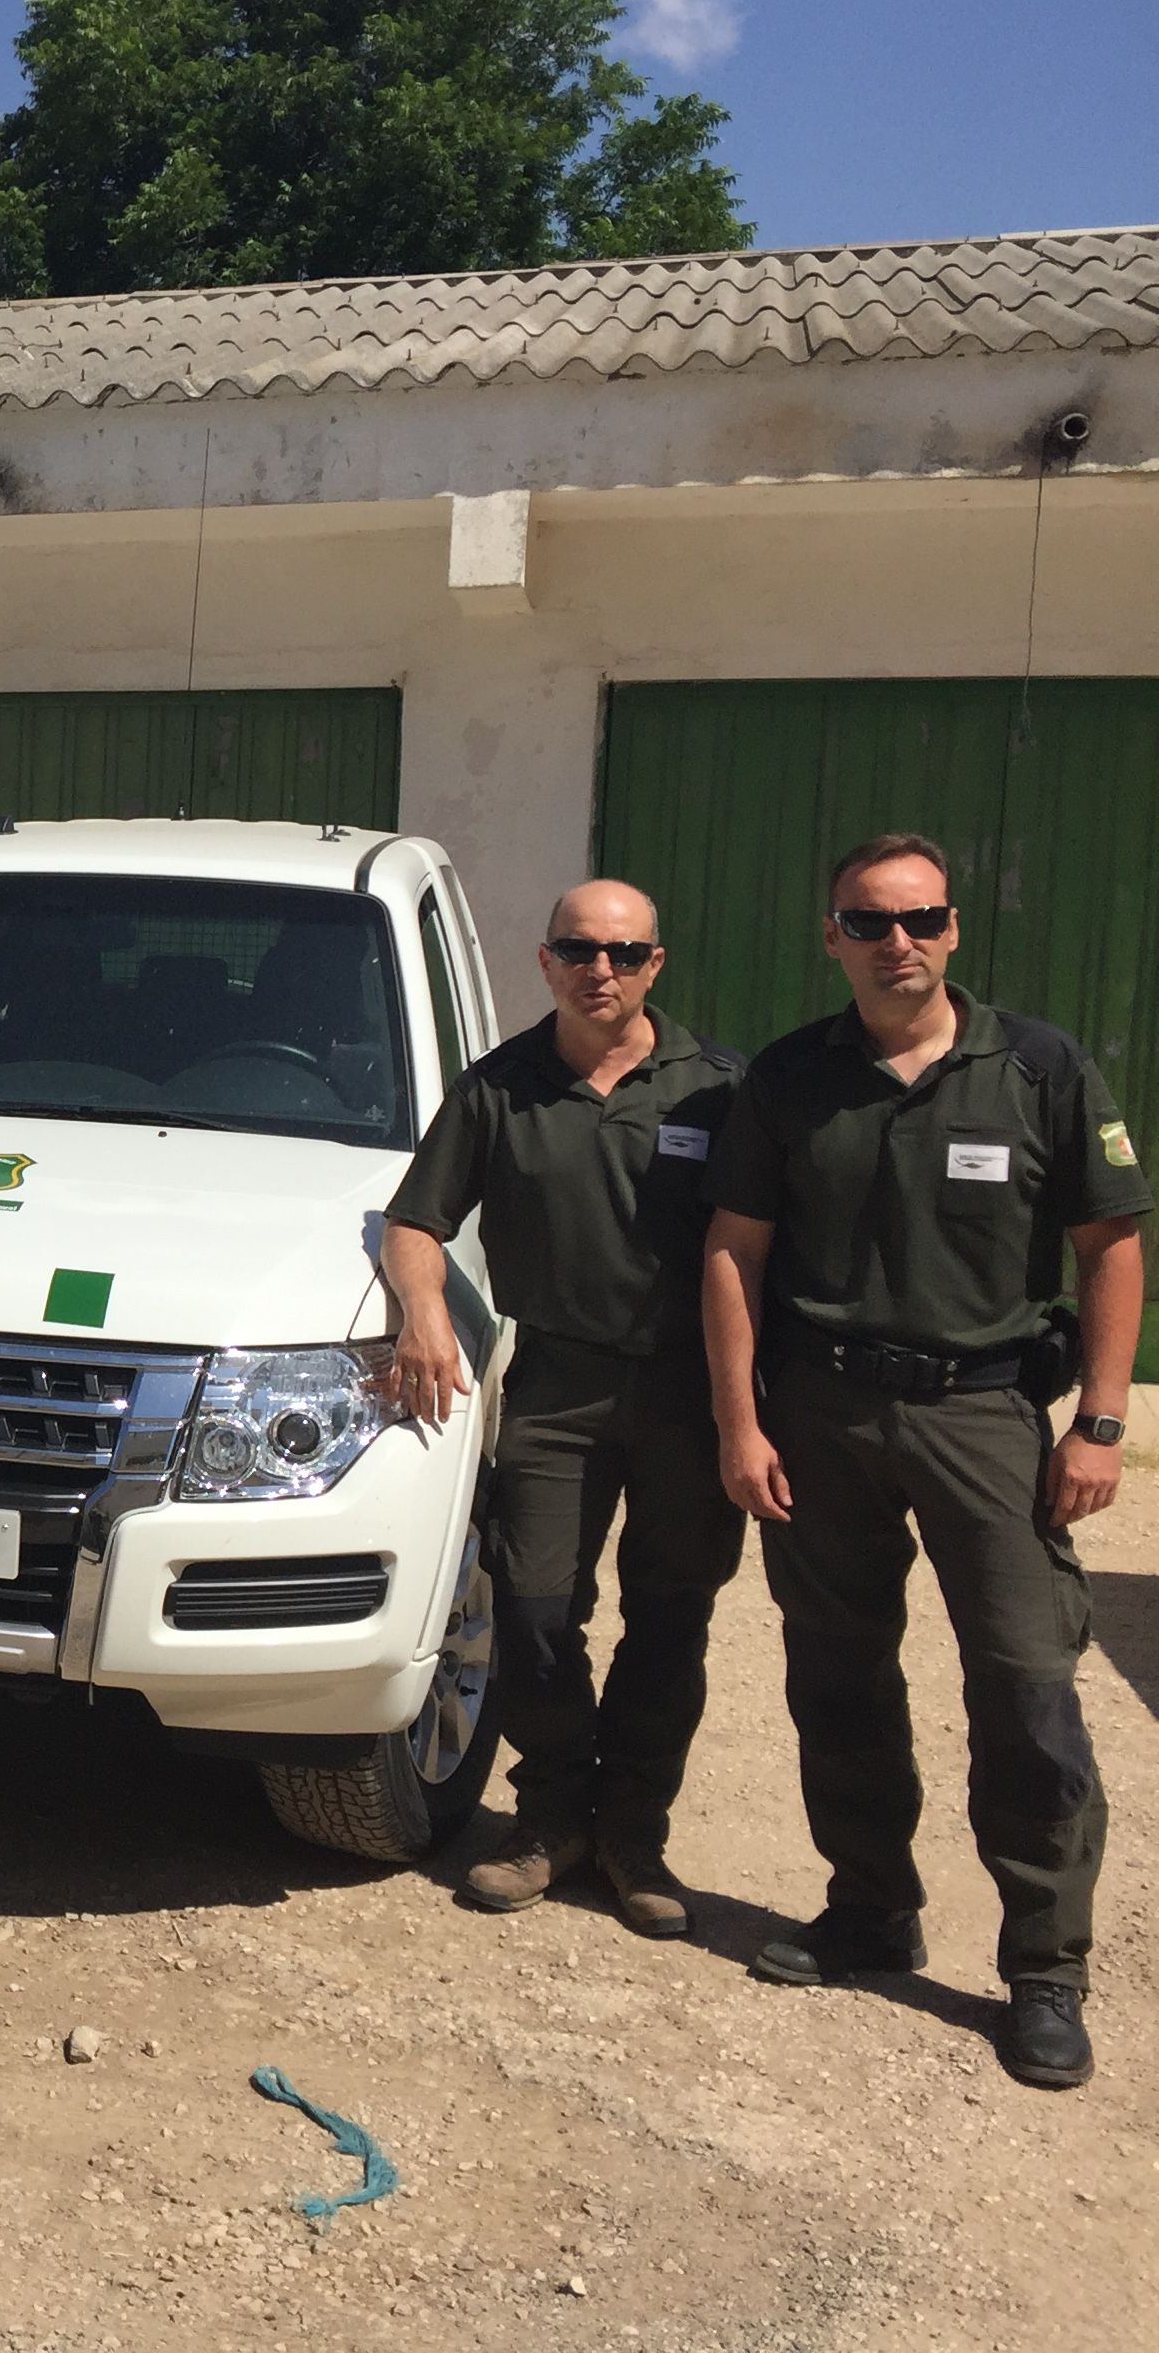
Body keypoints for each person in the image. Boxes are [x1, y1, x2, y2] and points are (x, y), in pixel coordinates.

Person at [704, 832, 1147, 2092]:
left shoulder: (1041, 1068)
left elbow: (1110, 1243)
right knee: (836, 1673)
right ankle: (869, 1909)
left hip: (984, 1417)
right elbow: (734, 1250)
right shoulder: (792, 1079)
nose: (899, 941)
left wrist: (1101, 1423)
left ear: (953, 931)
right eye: (870, 920)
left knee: (1025, 1687)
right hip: (824, 1416)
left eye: (923, 919)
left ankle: (1045, 1969)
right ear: (832, 936)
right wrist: (741, 1424)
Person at [382, 880, 745, 1934]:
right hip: (557, 1387)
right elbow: (416, 1219)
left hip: (687, 1391)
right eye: (580, 950)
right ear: (545, 961)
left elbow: (766, 1242)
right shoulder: (501, 1086)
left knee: (670, 1619)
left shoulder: (719, 1090)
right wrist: (423, 1313)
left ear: (656, 964)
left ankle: (633, 1832)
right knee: (535, 1612)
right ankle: (549, 1819)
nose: (603, 970)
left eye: (626, 952)